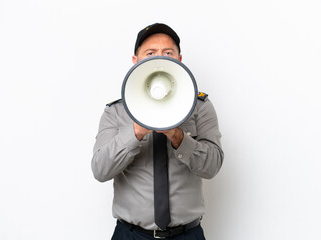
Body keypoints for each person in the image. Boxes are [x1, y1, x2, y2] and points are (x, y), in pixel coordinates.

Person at [92, 23, 224, 240]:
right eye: (150, 53)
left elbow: (212, 167)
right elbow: (100, 169)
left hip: (187, 234)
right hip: (131, 235)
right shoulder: (115, 112)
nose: (159, 58)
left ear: (179, 60)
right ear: (136, 61)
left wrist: (178, 136)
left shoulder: (200, 107)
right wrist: (135, 132)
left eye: (167, 52)